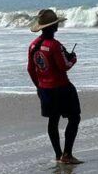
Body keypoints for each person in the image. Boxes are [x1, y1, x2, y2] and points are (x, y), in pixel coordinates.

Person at [27, 9, 82, 165]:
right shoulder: (54, 45)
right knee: (74, 118)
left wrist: (38, 86)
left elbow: (31, 69)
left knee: (53, 120)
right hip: (62, 87)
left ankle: (58, 155)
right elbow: (64, 66)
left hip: (45, 88)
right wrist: (74, 59)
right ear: (54, 27)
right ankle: (67, 154)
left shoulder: (33, 46)